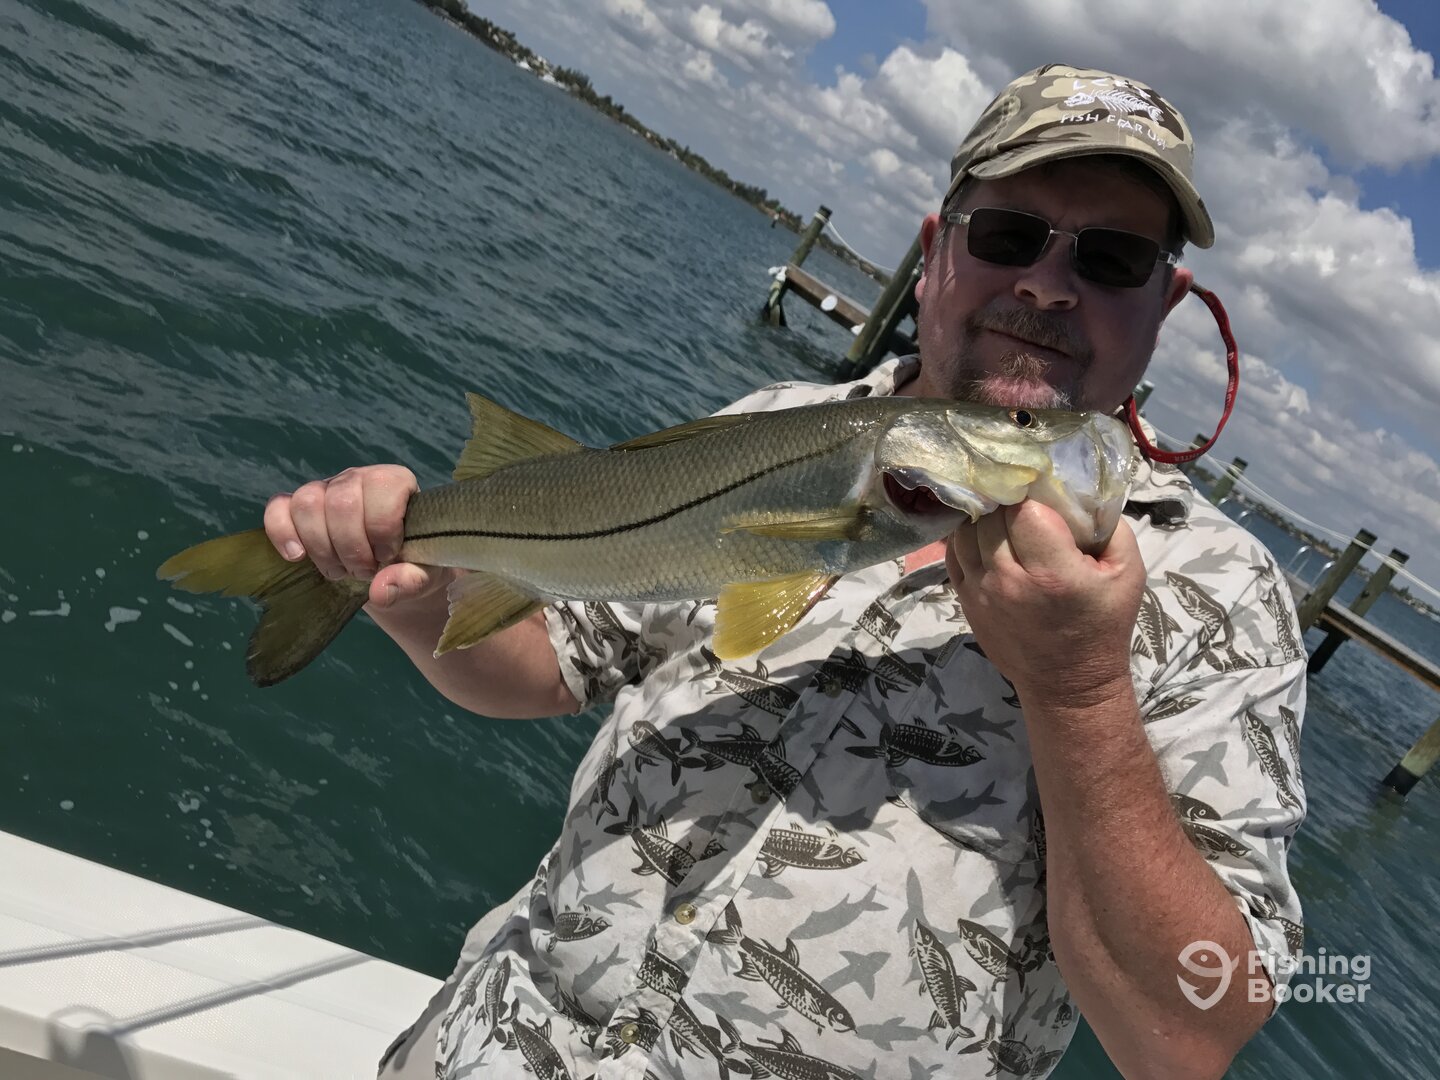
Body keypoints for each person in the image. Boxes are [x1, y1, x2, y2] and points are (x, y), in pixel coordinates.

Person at [268, 64, 1306, 1080]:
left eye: (1113, 259)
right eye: (1007, 235)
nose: (1046, 283)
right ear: (936, 253)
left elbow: (1187, 1038)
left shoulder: (1224, 595)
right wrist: (416, 598)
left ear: (1165, 303)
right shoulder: (774, 423)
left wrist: (1079, 693)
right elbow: (551, 667)